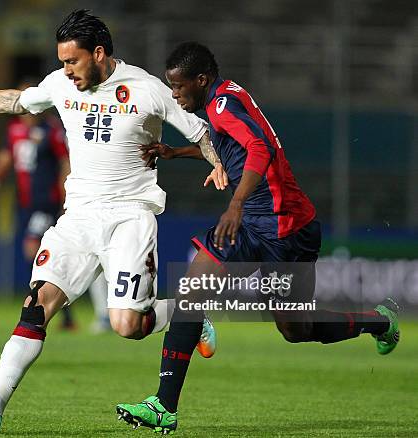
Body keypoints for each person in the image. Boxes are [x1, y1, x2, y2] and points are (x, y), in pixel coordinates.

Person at [0, 11, 223, 434]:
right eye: (62, 61)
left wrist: (220, 166)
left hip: (129, 217)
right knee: (36, 304)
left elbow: (201, 132)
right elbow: (15, 100)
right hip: (78, 217)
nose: (66, 70)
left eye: (72, 61)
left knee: (127, 326)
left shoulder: (147, 89)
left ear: (98, 53)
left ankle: (186, 316)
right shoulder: (60, 83)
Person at [115, 42, 400, 434]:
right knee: (193, 290)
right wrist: (175, 152)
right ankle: (164, 405)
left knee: (295, 329)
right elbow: (231, 148)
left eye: (179, 87)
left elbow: (259, 147)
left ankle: (377, 322)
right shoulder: (223, 98)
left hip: (286, 229)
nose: (176, 95)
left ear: (201, 80)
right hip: (252, 223)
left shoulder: (220, 105)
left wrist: (234, 204)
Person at [0, 83, 102, 331]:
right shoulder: (14, 130)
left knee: (32, 248)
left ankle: (39, 308)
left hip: (46, 202)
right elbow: (6, 157)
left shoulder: (53, 130)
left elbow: (65, 162)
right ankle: (61, 313)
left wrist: (68, 197)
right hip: (24, 202)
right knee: (37, 254)